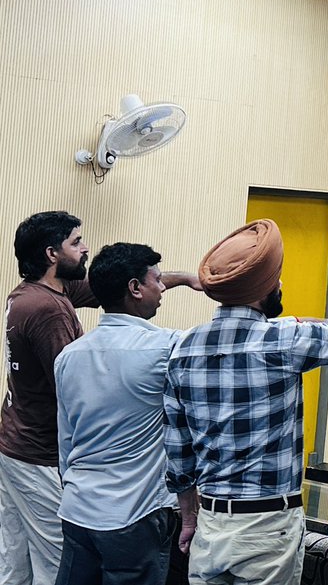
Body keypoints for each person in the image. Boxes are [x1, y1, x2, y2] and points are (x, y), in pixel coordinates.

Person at [164, 219, 328, 585]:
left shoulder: (183, 348)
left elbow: (178, 456)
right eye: (277, 277)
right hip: (268, 529)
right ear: (263, 287)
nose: (281, 284)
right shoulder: (283, 341)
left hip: (210, 526)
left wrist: (189, 519)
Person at [0, 212, 196, 585]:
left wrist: (183, 279)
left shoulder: (32, 293)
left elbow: (118, 284)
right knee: (52, 562)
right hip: (39, 455)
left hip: (13, 443)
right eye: (76, 242)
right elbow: (80, 385)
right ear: (52, 253)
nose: (85, 247)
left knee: (14, 561)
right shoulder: (49, 311)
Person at [55, 243, 195, 585]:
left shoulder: (69, 356)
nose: (162, 288)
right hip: (133, 516)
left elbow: (65, 440)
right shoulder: (167, 347)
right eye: (157, 281)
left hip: (77, 510)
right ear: (135, 288)